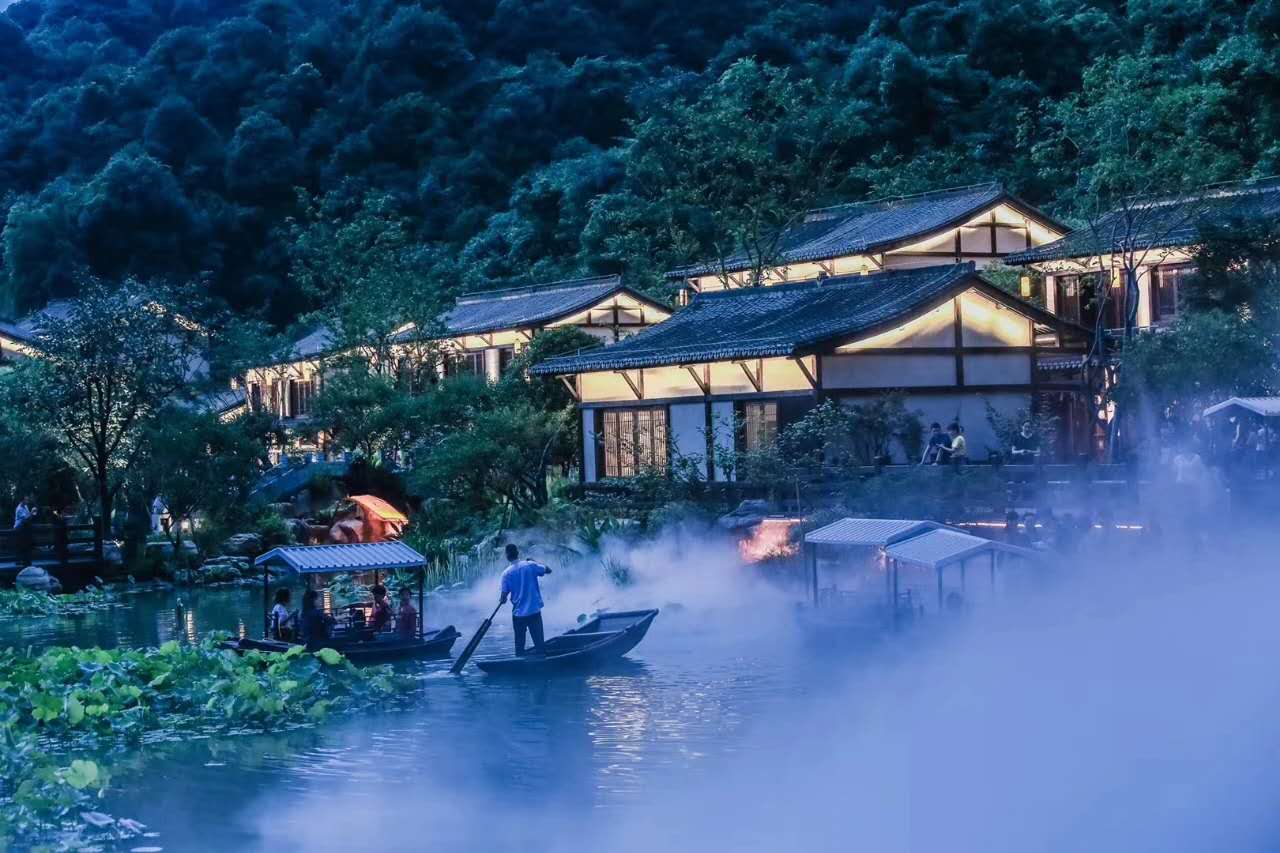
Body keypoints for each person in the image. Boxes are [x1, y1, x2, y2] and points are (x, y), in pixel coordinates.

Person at [499, 543, 552, 656]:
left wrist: (503, 598)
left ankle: (520, 666)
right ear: (518, 553)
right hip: (534, 611)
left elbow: (503, 598)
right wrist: (535, 561)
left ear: (507, 556)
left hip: (518, 614)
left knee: (519, 646)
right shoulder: (530, 565)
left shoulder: (506, 574)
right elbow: (548, 570)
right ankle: (542, 663)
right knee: (539, 645)